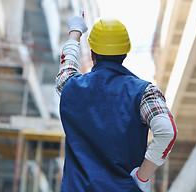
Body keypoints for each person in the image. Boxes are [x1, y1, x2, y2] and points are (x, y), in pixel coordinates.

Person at [55, 15, 177, 192]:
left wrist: (75, 32)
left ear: (92, 54)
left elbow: (66, 70)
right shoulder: (145, 92)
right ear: (125, 54)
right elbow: (167, 131)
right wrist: (142, 177)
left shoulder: (71, 88)